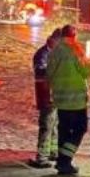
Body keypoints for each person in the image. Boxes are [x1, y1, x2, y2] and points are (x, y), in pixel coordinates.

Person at [45, 24, 90, 175]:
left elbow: (48, 74)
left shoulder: (55, 51)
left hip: (60, 99)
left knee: (64, 130)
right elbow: (86, 72)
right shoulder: (76, 50)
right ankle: (65, 160)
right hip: (76, 101)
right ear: (74, 36)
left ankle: (62, 162)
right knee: (80, 129)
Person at [28, 29, 63, 169]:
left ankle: (53, 152)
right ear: (53, 40)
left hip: (57, 96)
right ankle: (42, 158)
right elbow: (41, 72)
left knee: (55, 125)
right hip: (46, 96)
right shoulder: (42, 54)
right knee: (47, 125)